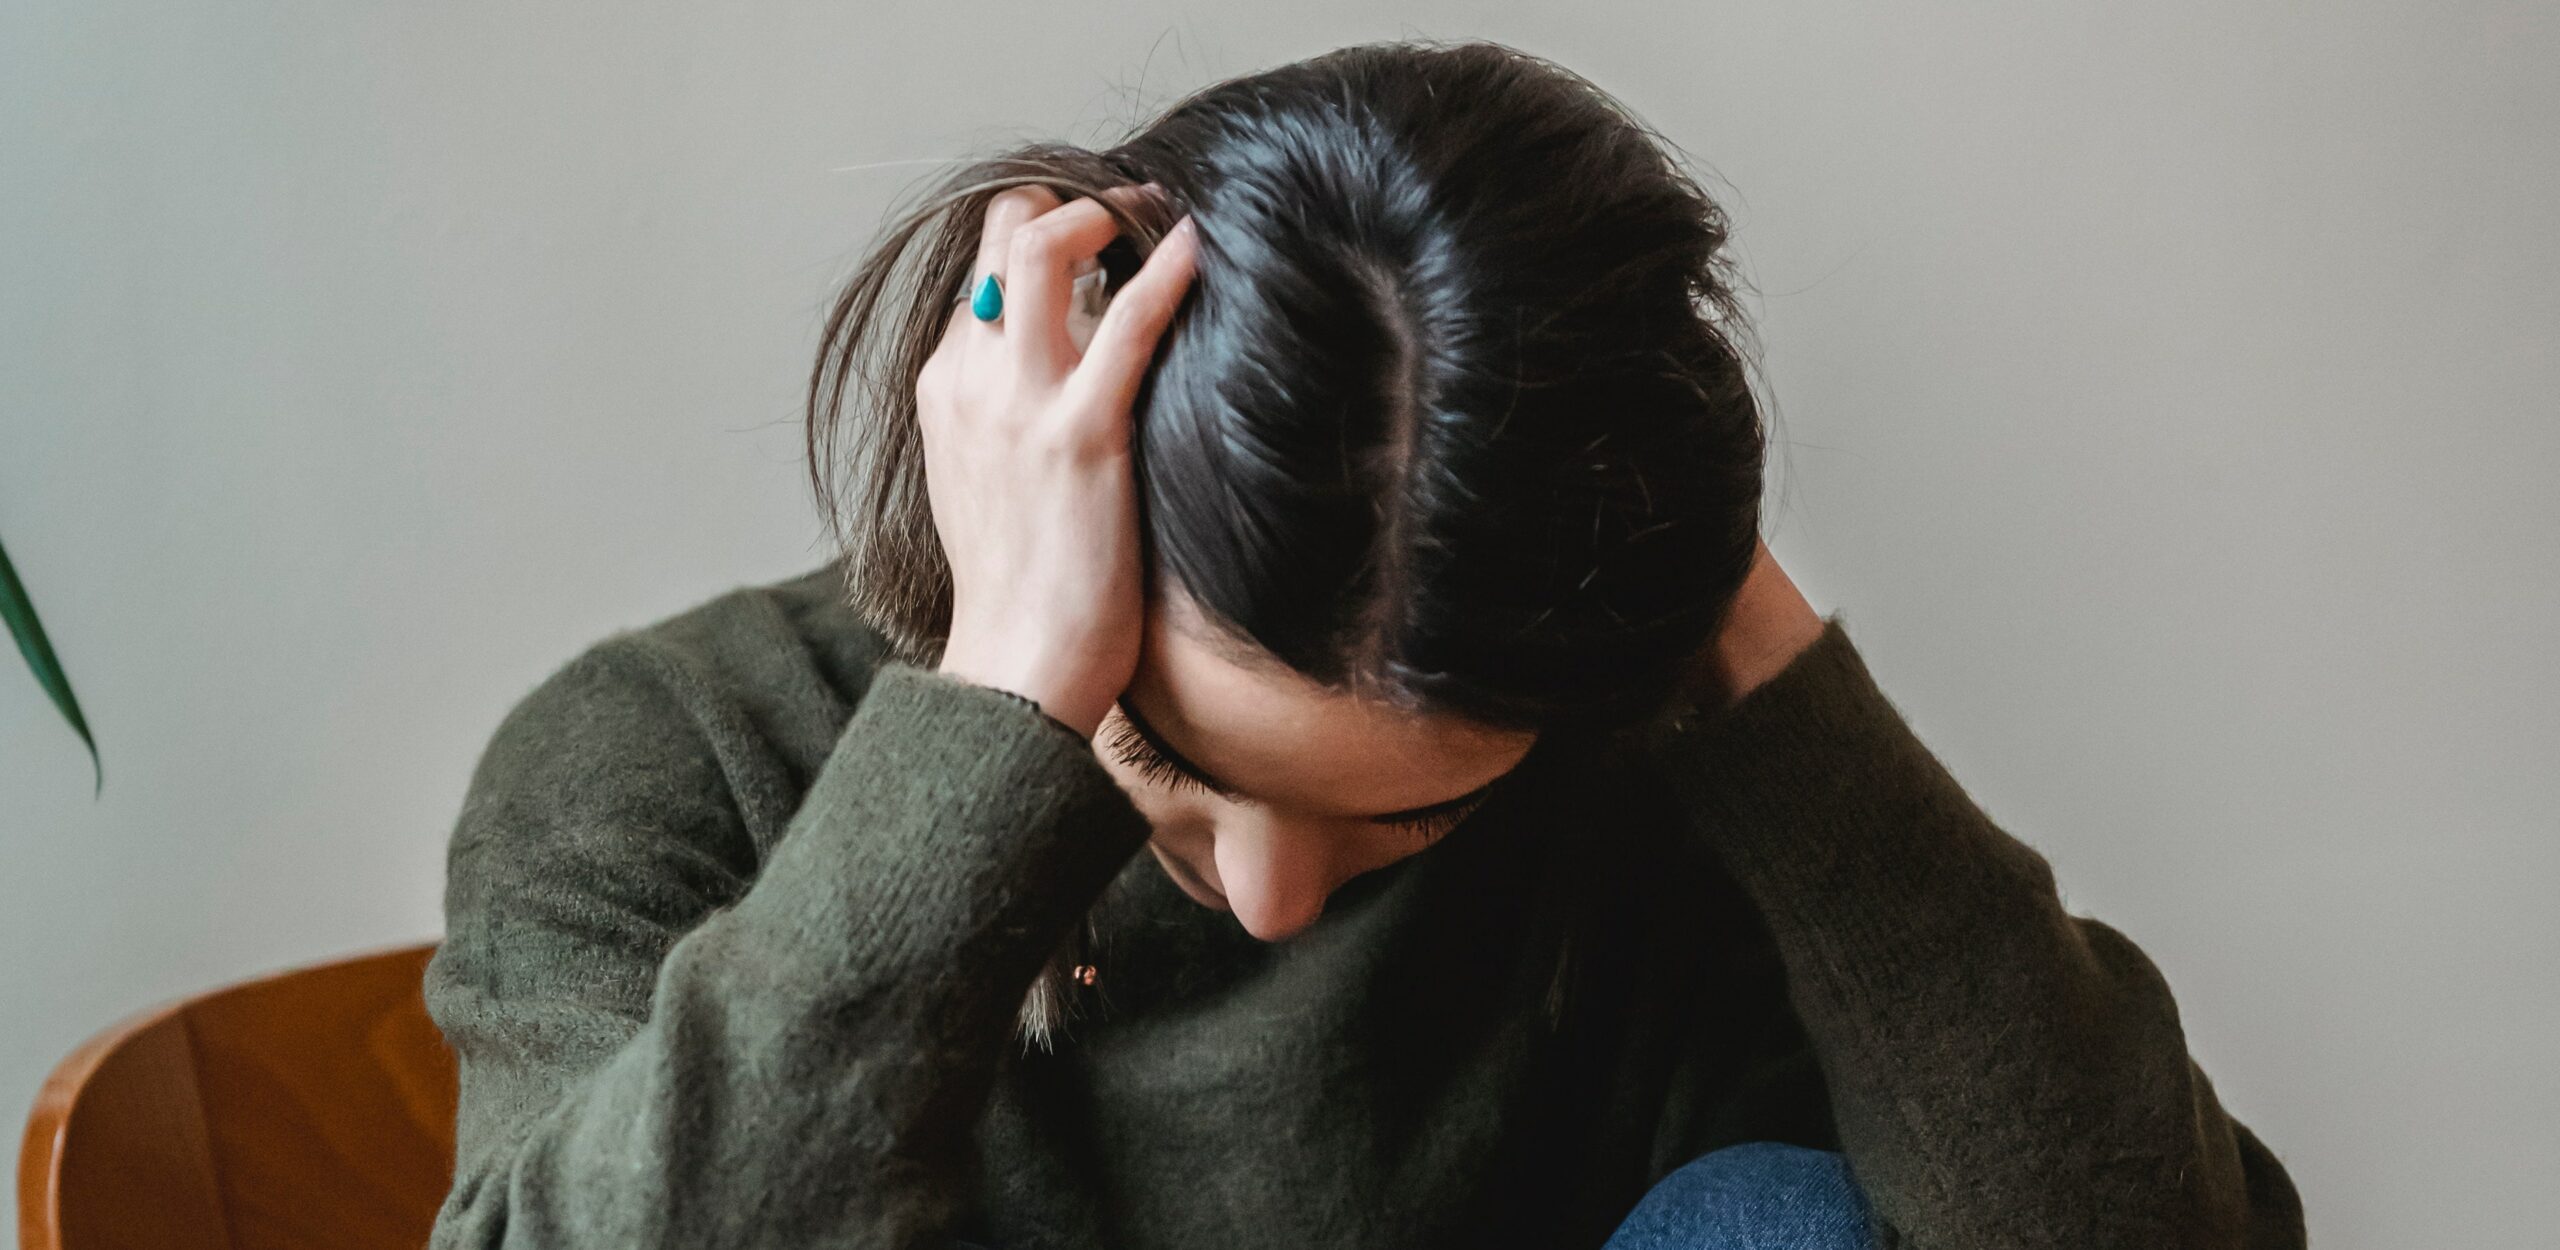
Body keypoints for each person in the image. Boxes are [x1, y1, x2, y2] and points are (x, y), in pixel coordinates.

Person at [421, 38, 2306, 1250]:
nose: (1272, 902)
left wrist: (1722, 606)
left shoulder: (1612, 775)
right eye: (1167, 758)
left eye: (1408, 819)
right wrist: (996, 719)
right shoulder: (667, 762)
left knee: (1780, 1226)